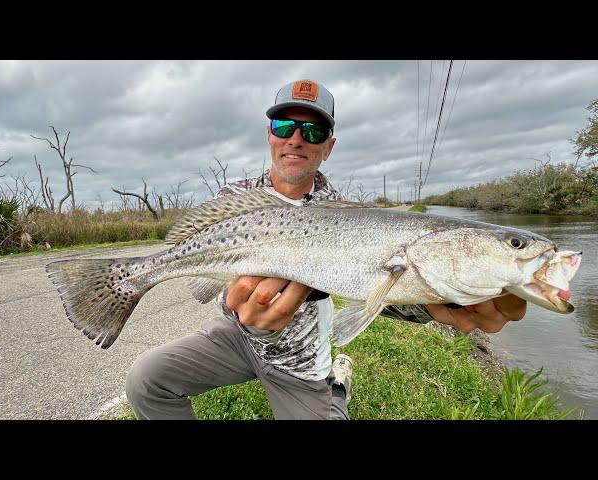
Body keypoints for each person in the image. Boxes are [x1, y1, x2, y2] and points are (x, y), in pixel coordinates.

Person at [125, 79, 527, 420]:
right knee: (145, 380)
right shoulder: (236, 197)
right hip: (236, 339)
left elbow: (378, 290)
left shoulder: (351, 217)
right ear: (270, 134)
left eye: (313, 132)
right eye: (285, 126)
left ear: (328, 146)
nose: (296, 139)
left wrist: (438, 300)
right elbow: (217, 282)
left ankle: (336, 391)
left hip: (298, 363)